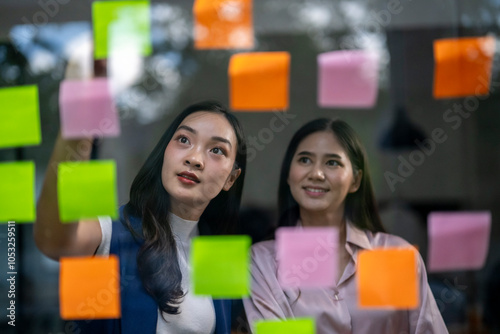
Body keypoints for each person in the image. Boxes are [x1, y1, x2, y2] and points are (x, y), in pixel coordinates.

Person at [35, 100, 247, 334]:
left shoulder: (222, 258)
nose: (195, 158)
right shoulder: (113, 232)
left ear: (231, 178)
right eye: (184, 140)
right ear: (165, 151)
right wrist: (81, 118)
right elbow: (54, 241)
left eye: (217, 150)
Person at [243, 118, 448, 333]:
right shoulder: (263, 262)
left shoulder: (398, 256)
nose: (316, 174)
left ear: (355, 181)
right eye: (304, 160)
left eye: (332, 163)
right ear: (288, 173)